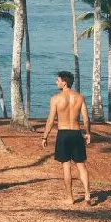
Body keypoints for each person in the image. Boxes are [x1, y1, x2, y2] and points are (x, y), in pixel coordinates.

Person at [42, 70, 91, 205]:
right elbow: (86, 119)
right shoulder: (80, 97)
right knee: (81, 165)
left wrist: (44, 136)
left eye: (58, 80)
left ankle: (70, 198)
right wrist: (87, 133)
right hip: (76, 133)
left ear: (64, 82)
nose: (56, 82)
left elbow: (51, 120)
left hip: (63, 134)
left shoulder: (56, 99)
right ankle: (87, 194)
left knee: (66, 166)